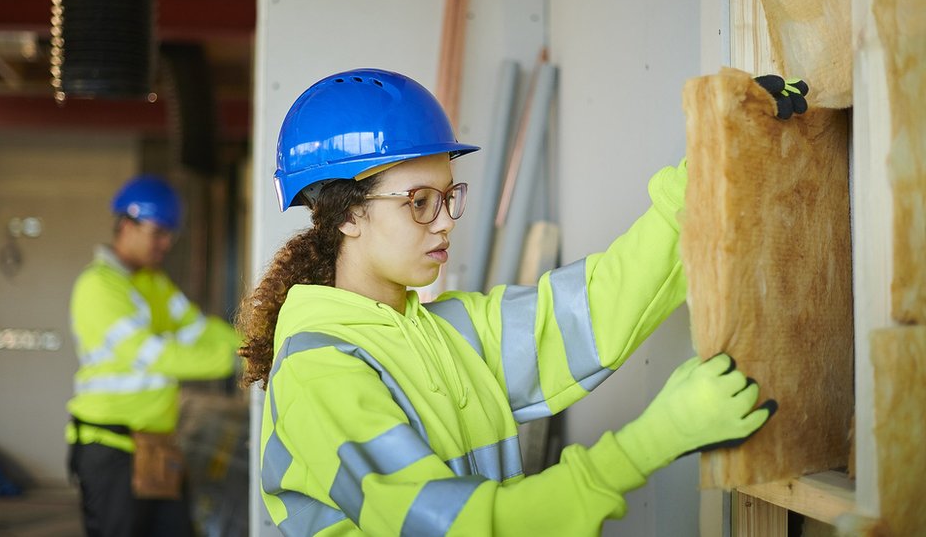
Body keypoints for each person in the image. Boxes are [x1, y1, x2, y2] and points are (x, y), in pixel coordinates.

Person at [239, 68, 799, 536]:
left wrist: (707, 173)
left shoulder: (447, 332)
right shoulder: (318, 371)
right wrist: (654, 439)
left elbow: (596, 309)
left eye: (449, 196)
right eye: (420, 202)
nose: (446, 222)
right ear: (345, 215)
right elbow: (456, 528)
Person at [66, 175, 242, 537]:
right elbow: (153, 355)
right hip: (112, 448)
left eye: (170, 235)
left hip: (156, 446)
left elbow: (198, 329)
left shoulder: (153, 283)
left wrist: (251, 345)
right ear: (126, 225)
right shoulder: (98, 287)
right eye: (158, 232)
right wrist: (237, 361)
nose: (166, 244)